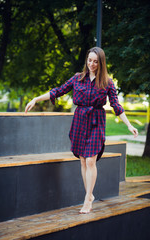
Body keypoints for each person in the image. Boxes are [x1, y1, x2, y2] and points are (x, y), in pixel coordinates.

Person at [25, 47, 138, 214]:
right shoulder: (78, 78)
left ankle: (87, 199)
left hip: (96, 122)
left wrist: (129, 125)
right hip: (79, 121)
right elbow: (58, 91)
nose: (91, 64)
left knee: (91, 160)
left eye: (95, 61)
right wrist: (36, 98)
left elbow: (116, 105)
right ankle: (90, 195)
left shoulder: (107, 82)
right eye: (89, 60)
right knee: (83, 161)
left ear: (101, 63)